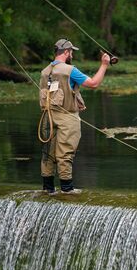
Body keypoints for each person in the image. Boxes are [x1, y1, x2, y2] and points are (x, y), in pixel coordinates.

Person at [39, 38, 110, 194]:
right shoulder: (70, 70)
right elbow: (93, 83)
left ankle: (48, 189)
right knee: (65, 153)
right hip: (67, 118)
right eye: (71, 51)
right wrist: (104, 65)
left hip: (47, 118)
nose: (72, 54)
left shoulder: (45, 71)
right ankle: (66, 190)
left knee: (48, 153)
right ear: (66, 52)